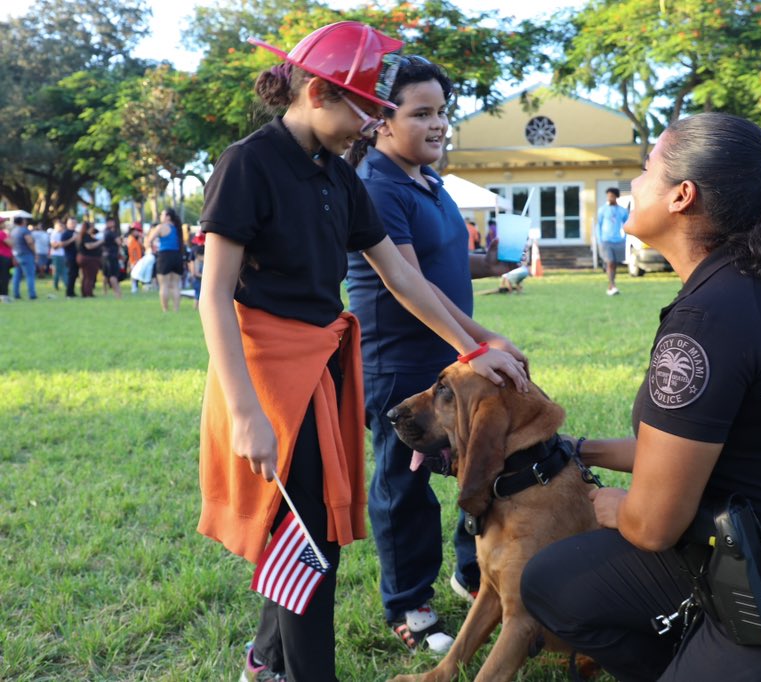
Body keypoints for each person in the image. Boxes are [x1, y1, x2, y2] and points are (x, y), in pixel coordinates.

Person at [520, 113, 761, 681]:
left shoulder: (707, 319)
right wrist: (584, 449)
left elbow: (652, 525)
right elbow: (707, 444)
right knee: (556, 575)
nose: (633, 185)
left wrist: (614, 506)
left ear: (682, 195)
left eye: (647, 169)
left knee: (554, 581)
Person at [197, 22, 527, 682]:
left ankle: (264, 661)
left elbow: (403, 278)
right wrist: (244, 413)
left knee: (307, 528)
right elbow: (214, 297)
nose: (370, 125)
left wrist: (474, 346)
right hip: (266, 378)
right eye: (363, 109)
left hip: (323, 369)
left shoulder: (339, 178)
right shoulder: (248, 164)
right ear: (318, 92)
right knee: (306, 536)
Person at [345, 55, 525, 654]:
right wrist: (479, 345)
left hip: (447, 355)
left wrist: (497, 269)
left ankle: (470, 570)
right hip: (398, 361)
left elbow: (444, 268)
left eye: (442, 111)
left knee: (475, 461)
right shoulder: (375, 184)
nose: (438, 124)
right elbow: (407, 282)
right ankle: (408, 604)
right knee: (405, 484)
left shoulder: (431, 182)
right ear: (378, 121)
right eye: (421, 113)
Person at [147, 208, 185, 312]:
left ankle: (165, 309)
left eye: (162, 214)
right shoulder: (178, 228)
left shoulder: (161, 227)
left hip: (164, 256)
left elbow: (149, 240)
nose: (160, 216)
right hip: (177, 256)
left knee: (164, 285)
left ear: (168, 216)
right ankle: (176, 309)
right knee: (175, 285)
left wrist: (152, 249)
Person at [595, 187, 629, 295]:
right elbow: (598, 225)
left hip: (618, 241)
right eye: (608, 196)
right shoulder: (602, 210)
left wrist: (625, 237)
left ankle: (611, 286)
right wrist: (599, 239)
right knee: (610, 262)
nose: (610, 198)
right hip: (606, 240)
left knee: (614, 264)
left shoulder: (621, 211)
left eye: (612, 196)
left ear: (616, 197)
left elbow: (627, 224)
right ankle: (612, 285)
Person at [10, 216, 37, 301]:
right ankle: (32, 294)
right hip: (26, 255)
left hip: (17, 255)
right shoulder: (24, 230)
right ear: (22, 221)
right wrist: (35, 252)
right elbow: (29, 241)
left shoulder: (13, 231)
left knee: (17, 276)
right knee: (30, 275)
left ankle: (16, 294)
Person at [54, 216, 80, 297]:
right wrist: (72, 239)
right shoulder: (65, 233)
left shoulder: (76, 233)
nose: (73, 225)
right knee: (70, 274)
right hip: (69, 257)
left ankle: (71, 291)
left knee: (75, 275)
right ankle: (69, 292)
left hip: (76, 256)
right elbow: (61, 244)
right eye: (71, 223)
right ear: (67, 224)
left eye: (74, 223)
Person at [100, 216, 123, 298]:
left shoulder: (105, 232)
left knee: (106, 275)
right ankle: (117, 293)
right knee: (113, 275)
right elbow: (119, 242)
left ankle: (104, 291)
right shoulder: (111, 232)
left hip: (105, 255)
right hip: (112, 256)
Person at [126, 223, 145, 293]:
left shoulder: (135, 240)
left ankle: (136, 287)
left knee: (137, 275)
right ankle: (134, 288)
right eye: (136, 231)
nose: (138, 232)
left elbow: (142, 248)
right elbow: (133, 251)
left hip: (137, 260)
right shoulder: (131, 239)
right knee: (134, 275)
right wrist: (136, 260)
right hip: (134, 260)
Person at [50, 222, 67, 293]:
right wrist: (62, 244)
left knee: (64, 271)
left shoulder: (62, 234)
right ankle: (56, 284)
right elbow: (54, 246)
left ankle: (66, 284)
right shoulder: (54, 234)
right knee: (58, 271)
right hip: (57, 255)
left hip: (63, 255)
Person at [0, 217, 13, 303]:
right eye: (3, 222)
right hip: (3, 256)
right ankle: (4, 295)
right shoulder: (2, 233)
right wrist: (8, 233)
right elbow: (11, 243)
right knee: (4, 277)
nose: (5, 224)